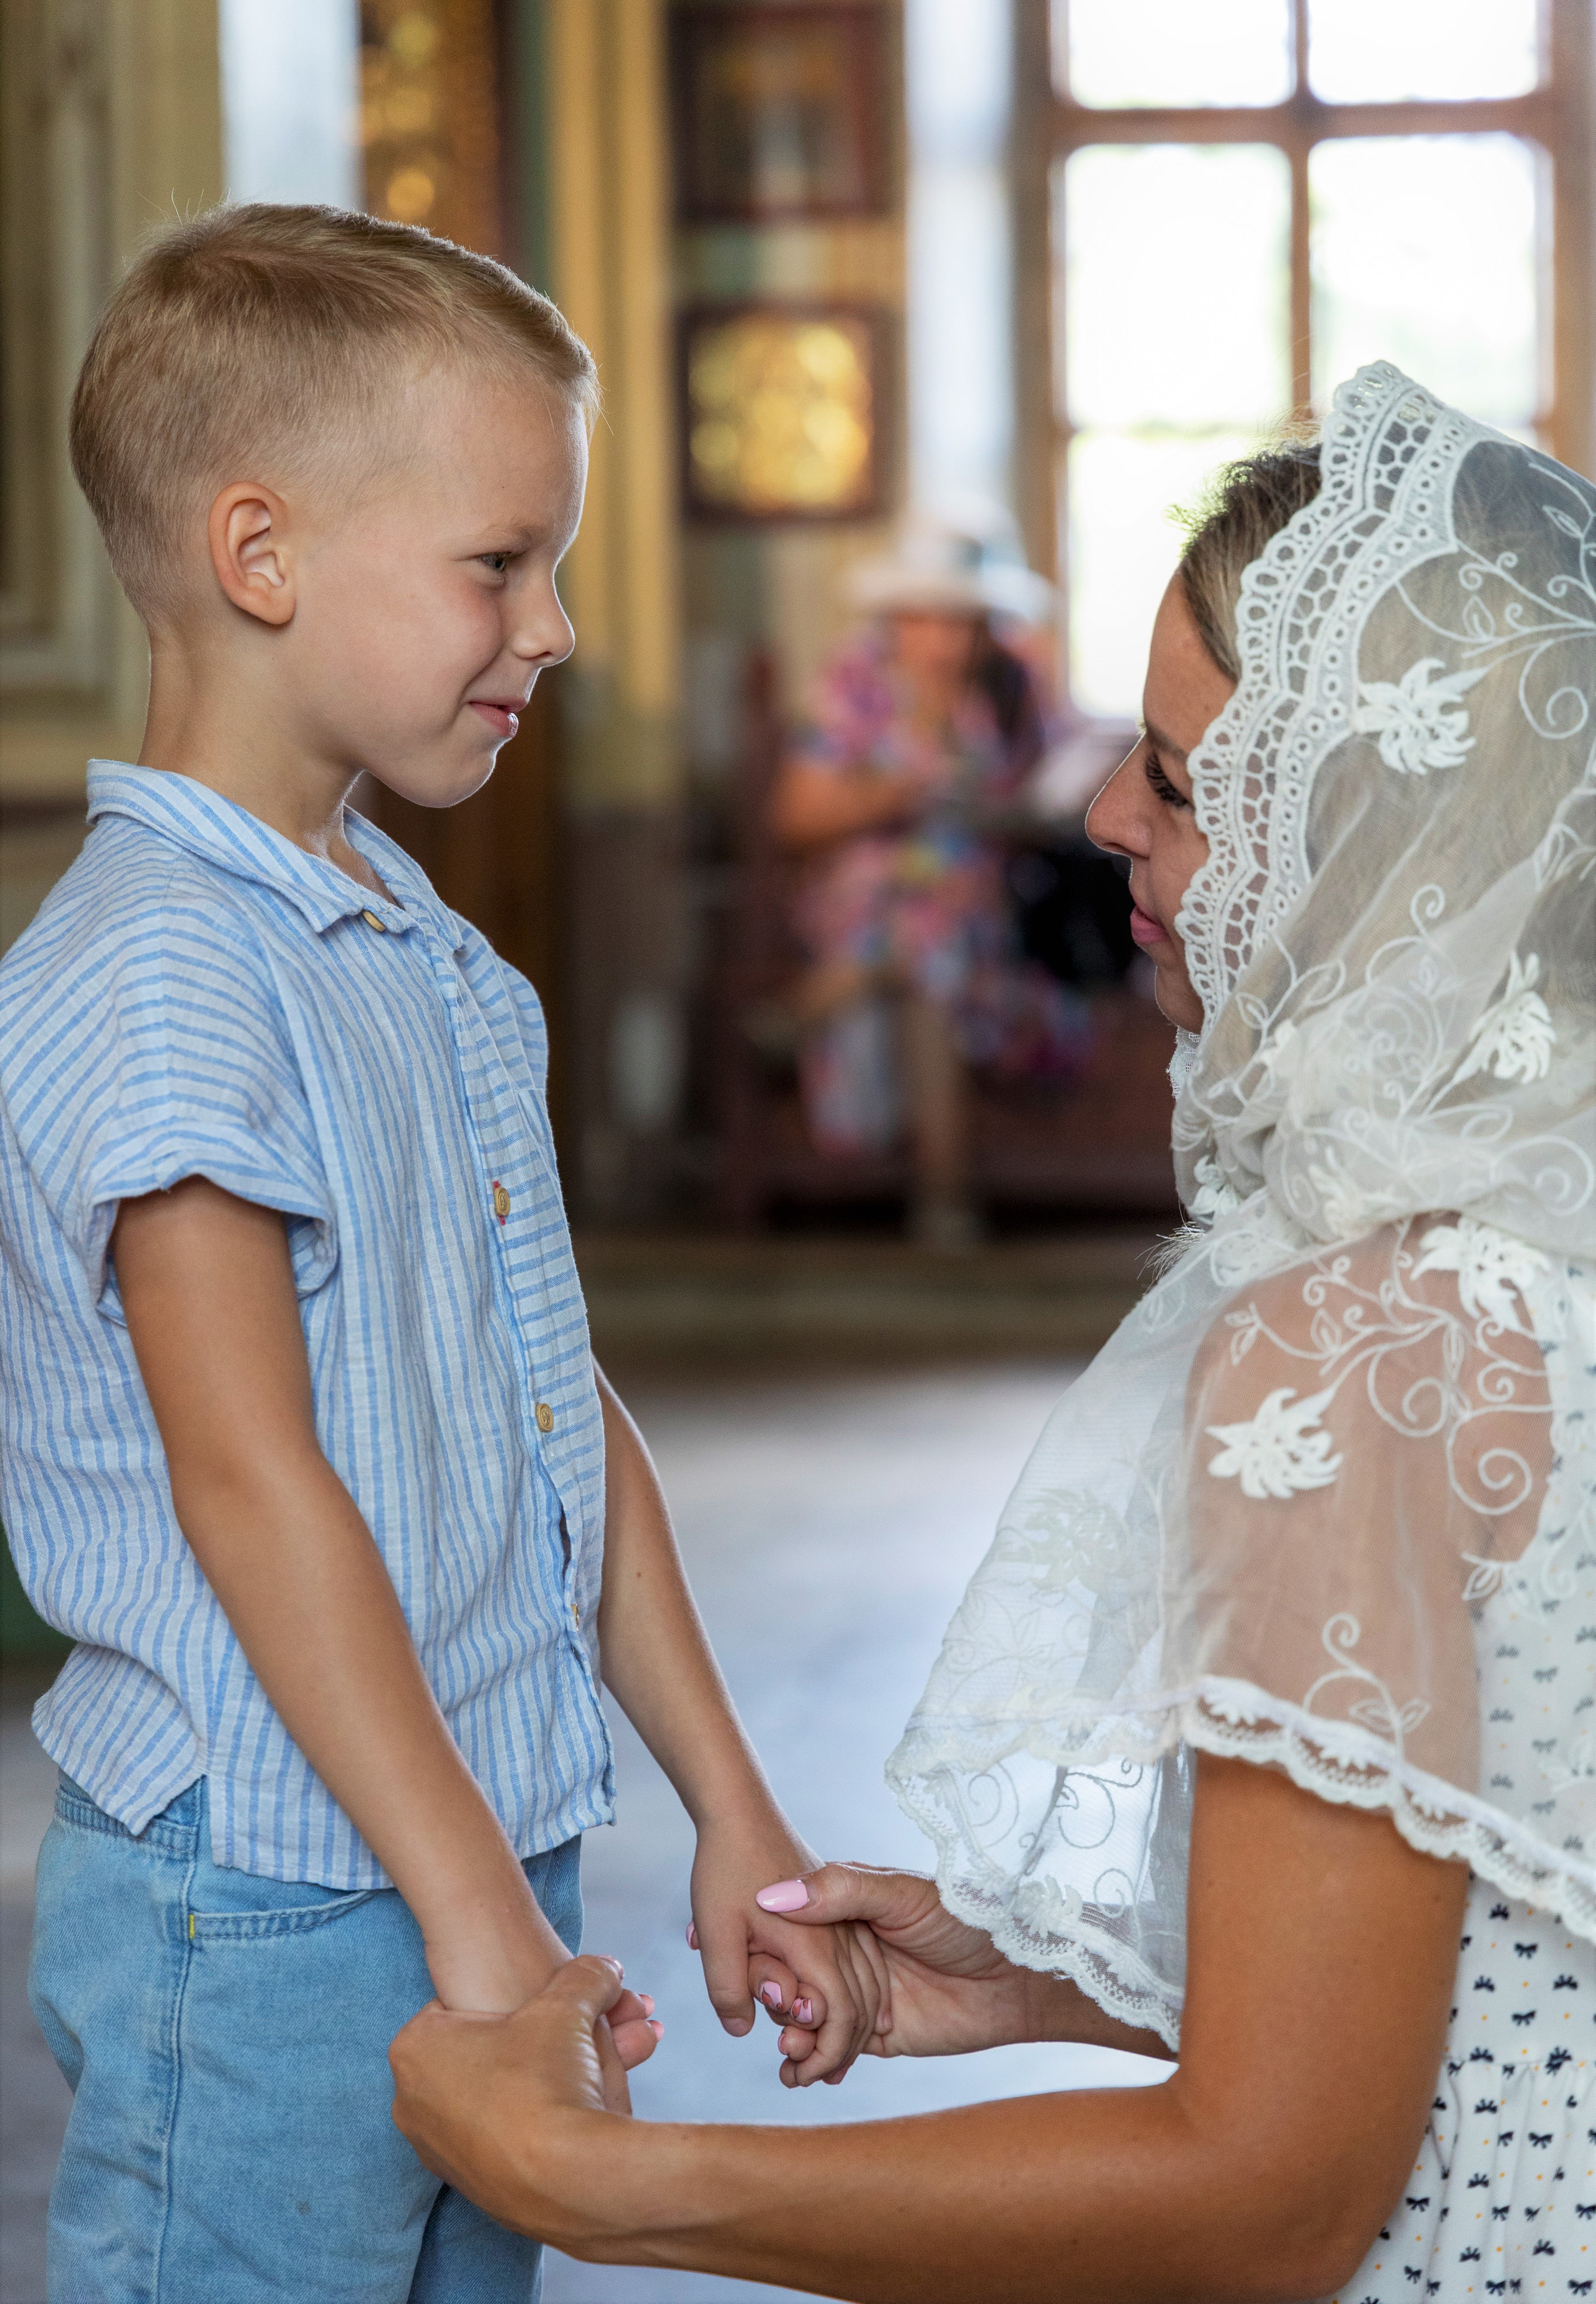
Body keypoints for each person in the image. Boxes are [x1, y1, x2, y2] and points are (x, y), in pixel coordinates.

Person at [388, 364, 1596, 2302]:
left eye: (1186, 785)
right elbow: (1522, 1954)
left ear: (1379, 853)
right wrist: (1062, 1974)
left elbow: (1270, 2200)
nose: (1111, 809)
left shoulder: (1367, 1343)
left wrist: (599, 2181)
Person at [0, 203, 882, 2304]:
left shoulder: (430, 960)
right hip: (279, 1898)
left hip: (477, 1851)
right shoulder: (163, 979)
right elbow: (250, 1481)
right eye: (501, 564)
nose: (556, 625)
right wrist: (476, 1920)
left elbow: (554, 1411)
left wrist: (733, 1808)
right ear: (260, 556)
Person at [768, 522, 1090, 1248]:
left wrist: (1004, 811)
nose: (945, 640)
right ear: (896, 618)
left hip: (986, 907)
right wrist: (902, 793)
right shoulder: (856, 678)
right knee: (927, 940)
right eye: (927, 617)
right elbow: (797, 815)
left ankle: (807, 1010)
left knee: (933, 940)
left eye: (963, 621)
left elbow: (1060, 791)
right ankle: (945, 1197)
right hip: (867, 900)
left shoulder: (1015, 681)